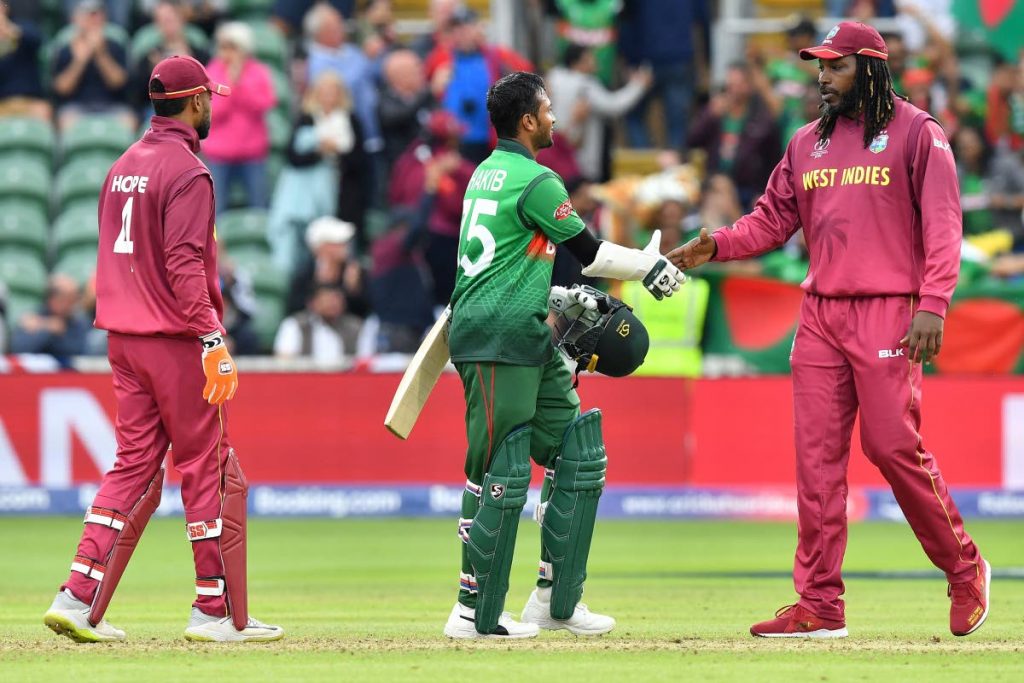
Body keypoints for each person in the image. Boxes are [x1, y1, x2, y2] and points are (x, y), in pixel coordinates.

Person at [668, 22, 989, 639]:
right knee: (816, 462)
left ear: (870, 68)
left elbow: (946, 226)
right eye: (819, 67)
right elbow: (770, 221)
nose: (822, 77)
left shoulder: (920, 134)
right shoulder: (805, 142)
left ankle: (965, 568)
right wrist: (716, 245)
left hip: (890, 309)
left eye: (835, 67)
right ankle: (819, 603)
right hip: (820, 315)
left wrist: (935, 303)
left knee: (892, 446)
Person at [42, 55, 283, 644]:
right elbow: (182, 265)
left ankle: (75, 595)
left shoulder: (123, 164)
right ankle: (211, 609)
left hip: (123, 338)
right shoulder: (190, 172)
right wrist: (211, 338)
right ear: (195, 101)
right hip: (174, 340)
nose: (212, 109)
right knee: (204, 467)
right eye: (210, 99)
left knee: (131, 466)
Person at [443, 71, 685, 639]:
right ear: (527, 120)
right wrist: (648, 265)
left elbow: (506, 258)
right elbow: (591, 252)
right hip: (497, 335)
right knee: (498, 467)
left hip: (521, 330)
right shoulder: (536, 179)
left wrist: (548, 296)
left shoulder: (486, 173)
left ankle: (555, 602)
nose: (555, 117)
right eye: (548, 109)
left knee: (577, 451)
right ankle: (470, 610)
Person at [269, 70, 366, 275]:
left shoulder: (351, 121)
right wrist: (320, 151)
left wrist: (337, 153)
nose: (329, 96)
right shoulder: (306, 119)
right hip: (304, 193)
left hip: (341, 194)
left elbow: (360, 160)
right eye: (324, 91)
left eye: (334, 91)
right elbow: (293, 156)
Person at [545, 42, 651, 181]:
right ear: (578, 63)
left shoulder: (553, 78)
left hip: (553, 155)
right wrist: (638, 86)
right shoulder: (585, 85)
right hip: (582, 160)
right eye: (590, 58)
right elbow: (614, 106)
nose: (595, 62)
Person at [202, 21, 276, 212]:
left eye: (232, 47)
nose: (227, 52)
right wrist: (231, 85)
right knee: (216, 209)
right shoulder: (212, 71)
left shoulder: (258, 71)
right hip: (220, 153)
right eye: (224, 47)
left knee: (258, 206)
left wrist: (239, 86)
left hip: (252, 152)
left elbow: (264, 104)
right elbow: (212, 111)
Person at [52, 0, 133, 131]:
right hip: (76, 106)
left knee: (127, 120)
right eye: (88, 16)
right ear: (76, 20)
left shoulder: (115, 46)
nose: (93, 20)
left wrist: (101, 54)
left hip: (112, 105)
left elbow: (119, 83)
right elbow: (61, 88)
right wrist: (79, 61)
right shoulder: (66, 48)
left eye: (97, 15)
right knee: (65, 120)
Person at [273, 282, 361, 363]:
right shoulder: (295, 325)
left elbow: (363, 360)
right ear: (312, 303)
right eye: (327, 299)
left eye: (336, 299)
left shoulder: (355, 327)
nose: (332, 304)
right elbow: (284, 362)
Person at [10, 274, 90, 361]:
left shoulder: (78, 320)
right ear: (53, 299)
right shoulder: (34, 316)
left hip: (68, 372)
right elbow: (19, 349)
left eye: (75, 299)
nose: (73, 304)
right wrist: (47, 327)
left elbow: (80, 350)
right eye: (69, 299)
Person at [0, 0, 50, 120]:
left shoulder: (23, 26)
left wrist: (10, 29)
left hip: (30, 100)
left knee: (43, 111)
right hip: (2, 102)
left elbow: (37, 41)